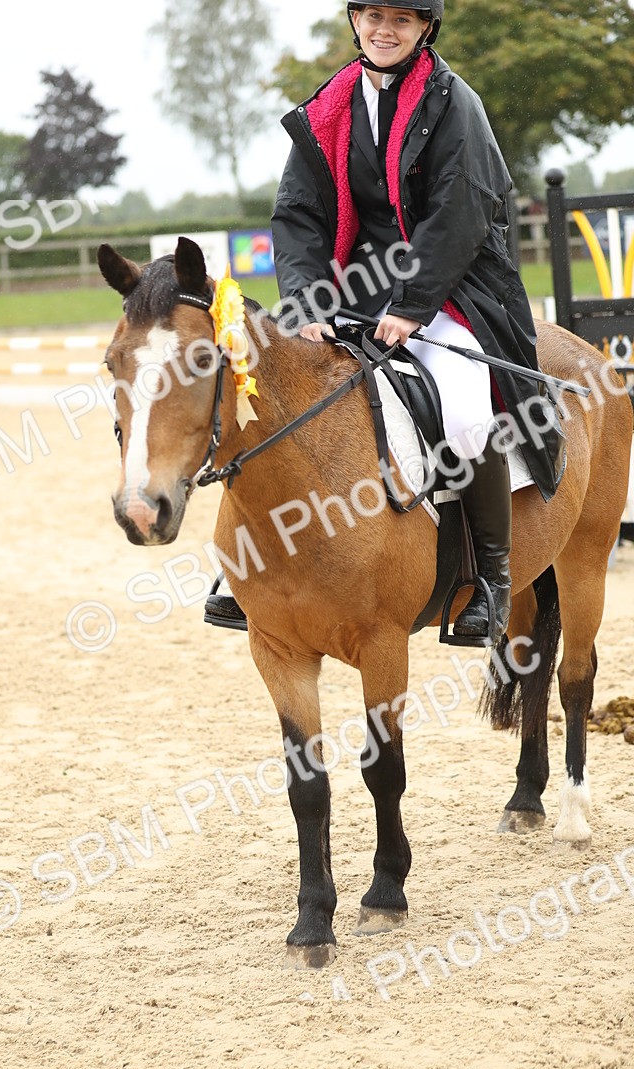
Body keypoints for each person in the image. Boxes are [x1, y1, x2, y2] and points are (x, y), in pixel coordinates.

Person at [205, 0, 554, 644]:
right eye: (373, 17)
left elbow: (462, 212)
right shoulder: (330, 107)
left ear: (425, 29)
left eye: (401, 20)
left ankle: (492, 580)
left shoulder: (455, 104)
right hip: (349, 292)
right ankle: (241, 568)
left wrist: (412, 306)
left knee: (465, 409)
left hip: (451, 292)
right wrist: (306, 305)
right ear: (355, 21)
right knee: (266, 388)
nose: (384, 30)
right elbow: (299, 215)